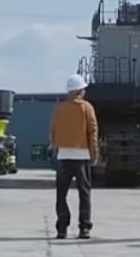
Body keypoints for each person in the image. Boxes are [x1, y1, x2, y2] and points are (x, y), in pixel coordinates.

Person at [50, 73, 99, 239]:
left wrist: (55, 149)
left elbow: (53, 131)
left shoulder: (59, 109)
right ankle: (84, 227)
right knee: (84, 193)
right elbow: (92, 131)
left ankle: (62, 228)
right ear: (80, 91)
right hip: (82, 155)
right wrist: (94, 153)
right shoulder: (87, 108)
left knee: (61, 193)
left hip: (63, 156)